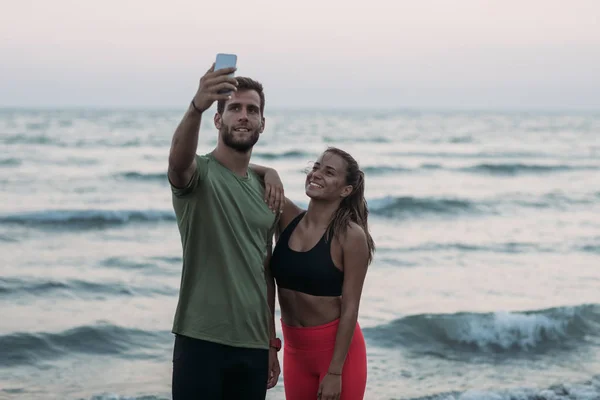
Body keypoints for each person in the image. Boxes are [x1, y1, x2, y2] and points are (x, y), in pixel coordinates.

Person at [167, 63, 286, 400]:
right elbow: (177, 162)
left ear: (262, 123)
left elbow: (264, 272)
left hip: (252, 345)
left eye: (252, 110)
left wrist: (271, 343)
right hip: (201, 338)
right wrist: (196, 107)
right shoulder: (198, 175)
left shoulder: (266, 192)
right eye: (234, 108)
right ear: (218, 120)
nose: (244, 116)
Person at [252, 147, 375, 400]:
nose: (316, 174)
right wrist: (270, 172)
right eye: (316, 167)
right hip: (295, 351)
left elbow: (351, 308)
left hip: (338, 355)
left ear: (346, 190)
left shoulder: (350, 236)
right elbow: (237, 170)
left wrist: (336, 372)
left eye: (329, 172)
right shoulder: (286, 216)